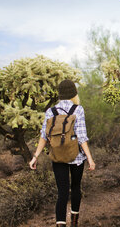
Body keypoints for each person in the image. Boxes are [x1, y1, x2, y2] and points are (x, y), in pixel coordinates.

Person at [29, 79, 96, 227]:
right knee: (76, 188)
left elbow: (44, 136)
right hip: (77, 156)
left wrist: (35, 157)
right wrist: (90, 159)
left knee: (62, 193)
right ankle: (74, 223)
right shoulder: (78, 109)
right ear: (74, 93)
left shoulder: (50, 111)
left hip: (57, 156)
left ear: (59, 95)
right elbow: (82, 136)